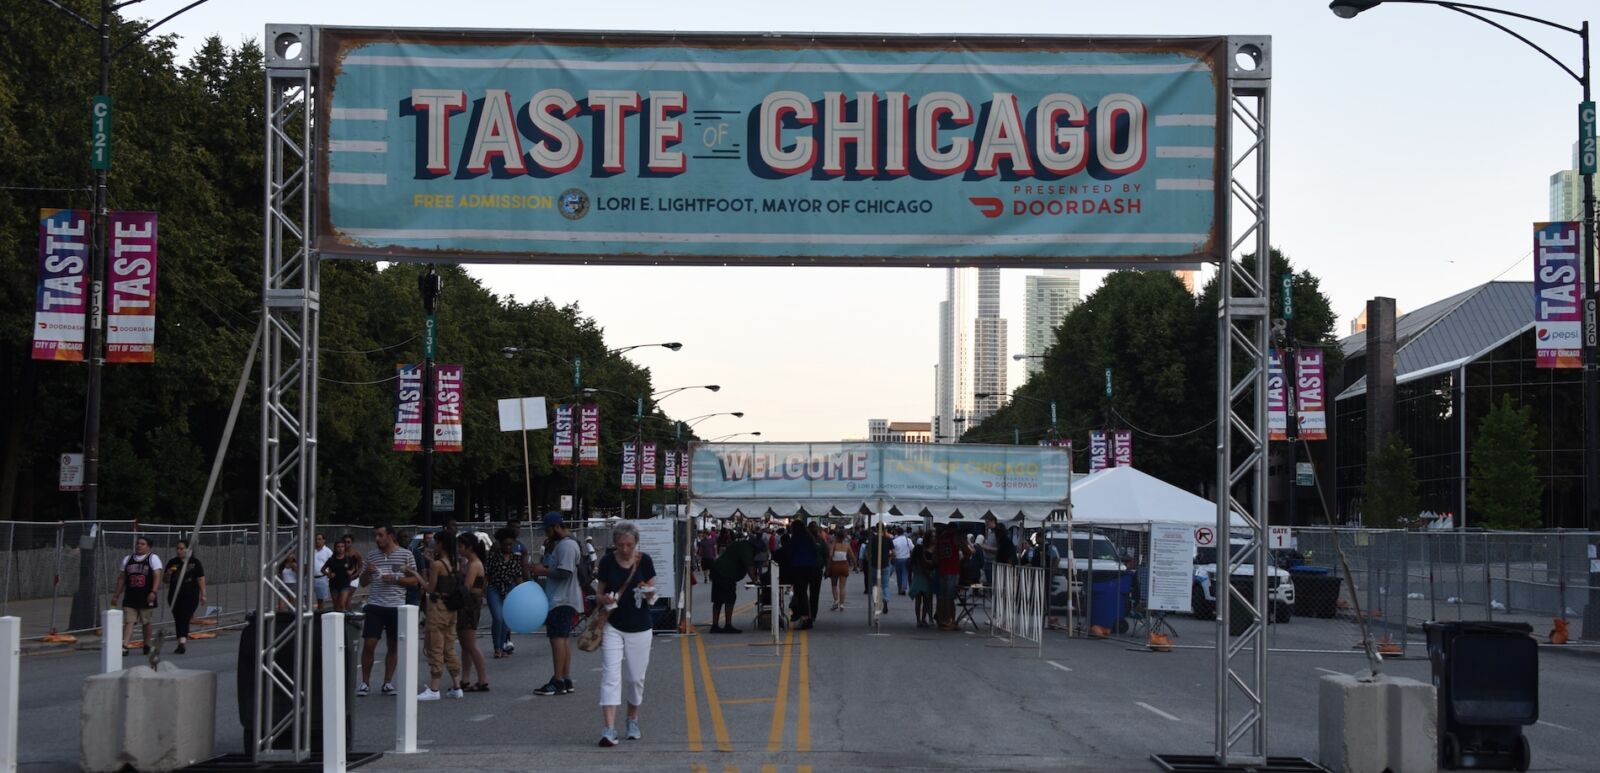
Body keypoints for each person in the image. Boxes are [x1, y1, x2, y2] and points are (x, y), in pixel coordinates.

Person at [595, 520, 657, 747]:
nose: (624, 549)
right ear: (615, 544)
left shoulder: (645, 561)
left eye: (629, 544)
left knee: (634, 678)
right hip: (613, 625)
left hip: (640, 626)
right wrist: (605, 599)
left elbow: (653, 593)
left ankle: (632, 718)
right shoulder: (607, 562)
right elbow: (598, 594)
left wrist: (647, 592)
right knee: (610, 676)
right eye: (620, 545)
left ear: (636, 544)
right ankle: (609, 728)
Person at [358, 525, 420, 697]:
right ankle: (364, 682)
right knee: (369, 644)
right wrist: (367, 573)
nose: (377, 539)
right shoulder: (372, 555)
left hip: (396, 605)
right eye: (375, 535)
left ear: (390, 536)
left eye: (380, 535)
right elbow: (362, 583)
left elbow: (415, 580)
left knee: (393, 645)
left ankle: (387, 682)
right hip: (375, 605)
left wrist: (397, 579)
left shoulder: (406, 555)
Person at [531, 511, 585, 696]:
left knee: (557, 640)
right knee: (562, 639)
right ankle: (565, 677)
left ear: (555, 527)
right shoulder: (564, 545)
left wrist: (543, 571)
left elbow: (565, 572)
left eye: (547, 530)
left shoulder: (567, 546)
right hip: (563, 598)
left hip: (562, 599)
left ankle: (558, 680)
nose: (546, 534)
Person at [419, 531, 463, 701]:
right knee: (449, 647)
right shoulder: (455, 563)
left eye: (436, 542)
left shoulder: (437, 565)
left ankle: (434, 688)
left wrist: (418, 576)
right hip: (451, 609)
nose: (433, 545)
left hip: (437, 608)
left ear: (441, 544)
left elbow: (430, 588)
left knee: (435, 647)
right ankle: (456, 685)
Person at [112, 535, 163, 656]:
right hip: (131, 596)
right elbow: (122, 578)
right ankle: (124, 645)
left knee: (146, 622)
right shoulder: (128, 559)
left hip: (146, 596)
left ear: (148, 547)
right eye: (138, 543)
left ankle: (146, 644)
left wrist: (153, 592)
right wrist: (116, 594)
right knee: (129, 621)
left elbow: (157, 576)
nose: (139, 546)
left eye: (142, 544)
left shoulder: (153, 558)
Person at [456, 533, 489, 691]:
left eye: (461, 546)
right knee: (465, 645)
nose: (459, 549)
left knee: (471, 645)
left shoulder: (475, 564)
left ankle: (482, 679)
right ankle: (465, 678)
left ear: (469, 547)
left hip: (470, 605)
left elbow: (467, 587)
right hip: (467, 605)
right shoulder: (469, 562)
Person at [486, 528, 526, 658]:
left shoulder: (516, 558)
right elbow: (486, 574)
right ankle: (496, 647)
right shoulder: (492, 556)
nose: (508, 547)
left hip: (510, 588)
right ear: (500, 544)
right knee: (498, 617)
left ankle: (502, 645)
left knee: (506, 620)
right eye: (505, 544)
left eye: (511, 544)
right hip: (494, 588)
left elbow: (518, 575)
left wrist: (522, 593)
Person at [710, 529, 761, 633]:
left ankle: (715, 625)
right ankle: (728, 625)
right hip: (725, 573)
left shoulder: (741, 544)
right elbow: (750, 567)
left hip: (717, 569)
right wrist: (755, 581)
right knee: (730, 598)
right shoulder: (747, 549)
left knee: (718, 599)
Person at [164, 539, 206, 654]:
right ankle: (180, 642)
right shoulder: (172, 562)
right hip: (174, 596)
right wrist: (168, 574)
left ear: (188, 549)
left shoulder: (194, 562)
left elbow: (200, 578)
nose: (179, 551)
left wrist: (203, 594)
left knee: (185, 617)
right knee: (178, 619)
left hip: (190, 595)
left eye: (181, 548)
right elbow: (166, 580)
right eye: (177, 548)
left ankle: (182, 642)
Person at [782, 520, 822, 630]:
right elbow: (816, 552)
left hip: (799, 568)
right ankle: (810, 616)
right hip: (811, 567)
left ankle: (805, 618)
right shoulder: (810, 539)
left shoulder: (795, 539)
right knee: (811, 594)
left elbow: (789, 554)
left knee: (801, 593)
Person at [934, 524, 972, 631]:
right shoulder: (955, 537)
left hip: (942, 570)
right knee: (950, 597)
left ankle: (943, 620)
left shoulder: (941, 538)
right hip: (953, 570)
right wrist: (962, 560)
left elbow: (935, 557)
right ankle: (949, 621)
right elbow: (967, 551)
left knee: (942, 596)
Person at [323, 539, 357, 612]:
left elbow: (354, 567)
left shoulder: (348, 559)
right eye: (338, 547)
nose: (340, 548)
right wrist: (329, 574)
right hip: (334, 584)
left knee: (342, 604)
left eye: (342, 546)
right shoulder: (331, 559)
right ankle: (337, 621)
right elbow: (323, 569)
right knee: (336, 605)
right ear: (335, 548)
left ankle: (344, 621)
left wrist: (351, 571)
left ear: (344, 548)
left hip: (345, 584)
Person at [909, 536, 936, 628]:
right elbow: (926, 568)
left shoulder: (913, 560)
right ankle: (923, 619)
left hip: (917, 580)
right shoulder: (922, 558)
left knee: (918, 602)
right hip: (925, 580)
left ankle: (918, 620)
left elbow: (912, 570)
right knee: (926, 601)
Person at [827, 528, 855, 612]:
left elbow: (830, 555)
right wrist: (856, 566)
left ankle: (836, 601)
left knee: (834, 585)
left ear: (836, 537)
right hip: (844, 566)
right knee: (842, 587)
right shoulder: (847, 545)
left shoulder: (834, 544)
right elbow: (852, 557)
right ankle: (842, 604)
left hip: (835, 566)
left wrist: (828, 567)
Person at [312, 532, 333, 611]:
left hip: (321, 578)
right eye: (316, 539)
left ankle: (319, 616)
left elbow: (331, 565)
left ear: (324, 540)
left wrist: (328, 574)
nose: (317, 541)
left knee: (320, 600)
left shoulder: (328, 551)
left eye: (319, 539)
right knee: (305, 598)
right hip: (309, 578)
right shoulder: (311, 550)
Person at [892, 528, 914, 595]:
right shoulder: (908, 540)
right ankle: (904, 587)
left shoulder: (894, 541)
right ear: (903, 532)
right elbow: (912, 548)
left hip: (897, 559)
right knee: (905, 573)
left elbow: (892, 550)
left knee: (899, 574)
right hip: (906, 558)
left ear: (897, 533)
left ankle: (900, 588)